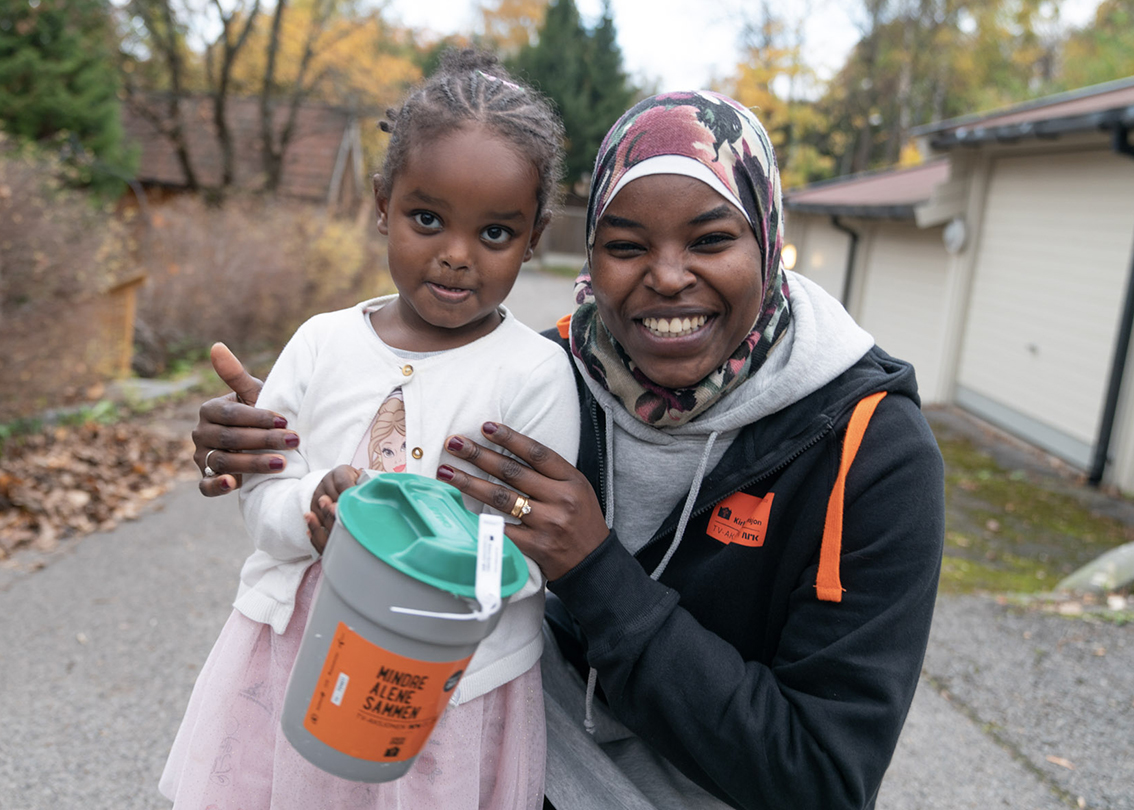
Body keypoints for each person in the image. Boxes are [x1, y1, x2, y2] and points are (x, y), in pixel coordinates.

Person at [191, 90, 945, 810]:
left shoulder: (869, 448)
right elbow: (405, 474)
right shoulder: (559, 368)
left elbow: (823, 780)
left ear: (769, 238)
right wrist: (293, 430)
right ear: (587, 254)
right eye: (626, 245)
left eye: (712, 238)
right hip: (498, 756)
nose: (670, 276)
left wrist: (594, 569)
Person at [163, 51, 580, 810]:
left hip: (445, 683)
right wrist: (313, 513)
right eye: (428, 219)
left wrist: (433, 550)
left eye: (494, 233)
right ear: (383, 204)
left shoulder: (535, 375)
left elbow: (531, 548)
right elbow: (265, 493)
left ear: (533, 236)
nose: (456, 254)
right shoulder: (323, 343)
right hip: (303, 653)